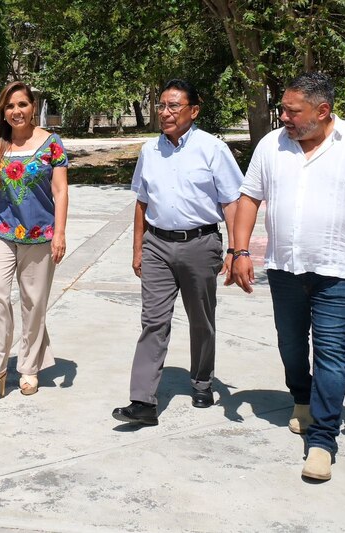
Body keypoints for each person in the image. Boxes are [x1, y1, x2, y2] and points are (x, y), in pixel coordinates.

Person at [231, 72, 345, 480]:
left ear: (322, 111)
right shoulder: (271, 145)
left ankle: (323, 441)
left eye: (293, 111)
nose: (284, 117)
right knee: (290, 344)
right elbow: (249, 198)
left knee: (330, 351)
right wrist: (238, 251)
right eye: (282, 109)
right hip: (285, 269)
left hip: (338, 273)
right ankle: (302, 399)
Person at [111, 79, 244, 426]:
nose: (165, 113)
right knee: (153, 320)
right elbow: (141, 201)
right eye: (161, 106)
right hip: (157, 244)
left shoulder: (212, 149)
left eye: (173, 106)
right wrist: (138, 247)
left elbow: (232, 202)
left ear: (193, 111)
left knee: (201, 319)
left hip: (201, 244)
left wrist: (236, 249)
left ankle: (202, 381)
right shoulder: (149, 151)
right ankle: (142, 401)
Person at [0, 81, 69, 405]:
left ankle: (29, 366)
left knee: (33, 302)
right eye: (10, 106)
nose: (17, 111)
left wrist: (60, 232)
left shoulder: (51, 144)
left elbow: (60, 191)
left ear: (33, 107)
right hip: (0, 231)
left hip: (40, 235)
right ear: (4, 111)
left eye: (22, 105)